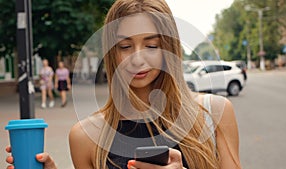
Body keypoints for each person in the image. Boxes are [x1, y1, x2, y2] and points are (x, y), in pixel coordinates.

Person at [6, 0, 241, 169]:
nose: (137, 58)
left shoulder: (214, 113)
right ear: (111, 53)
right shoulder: (85, 137)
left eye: (151, 45)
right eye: (125, 47)